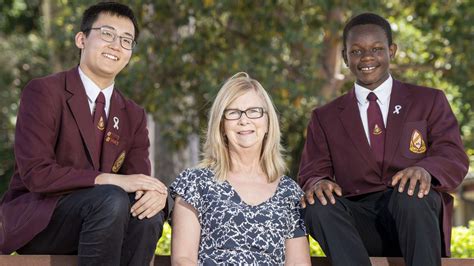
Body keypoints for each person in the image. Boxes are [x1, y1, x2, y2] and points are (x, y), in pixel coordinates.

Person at [0, 2, 168, 265]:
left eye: (126, 40)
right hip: (44, 220)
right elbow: (36, 174)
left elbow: (136, 182)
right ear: (81, 39)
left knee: (148, 214)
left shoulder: (133, 114)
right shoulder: (44, 92)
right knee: (110, 198)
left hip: (106, 220)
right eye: (107, 34)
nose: (116, 45)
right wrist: (109, 180)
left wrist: (154, 194)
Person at [298, 12, 469, 266]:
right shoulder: (325, 117)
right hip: (357, 227)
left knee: (411, 193)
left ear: (392, 51)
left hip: (415, 216)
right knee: (316, 205)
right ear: (345, 57)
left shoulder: (429, 100)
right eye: (356, 51)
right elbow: (312, 171)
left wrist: (424, 170)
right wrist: (318, 181)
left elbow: (453, 155)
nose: (367, 57)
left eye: (377, 49)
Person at [170, 72, 311, 265]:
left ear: (268, 122)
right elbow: (183, 260)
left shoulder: (290, 193)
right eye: (233, 112)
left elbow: (298, 264)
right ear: (221, 125)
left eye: (254, 111)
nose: (244, 120)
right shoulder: (195, 183)